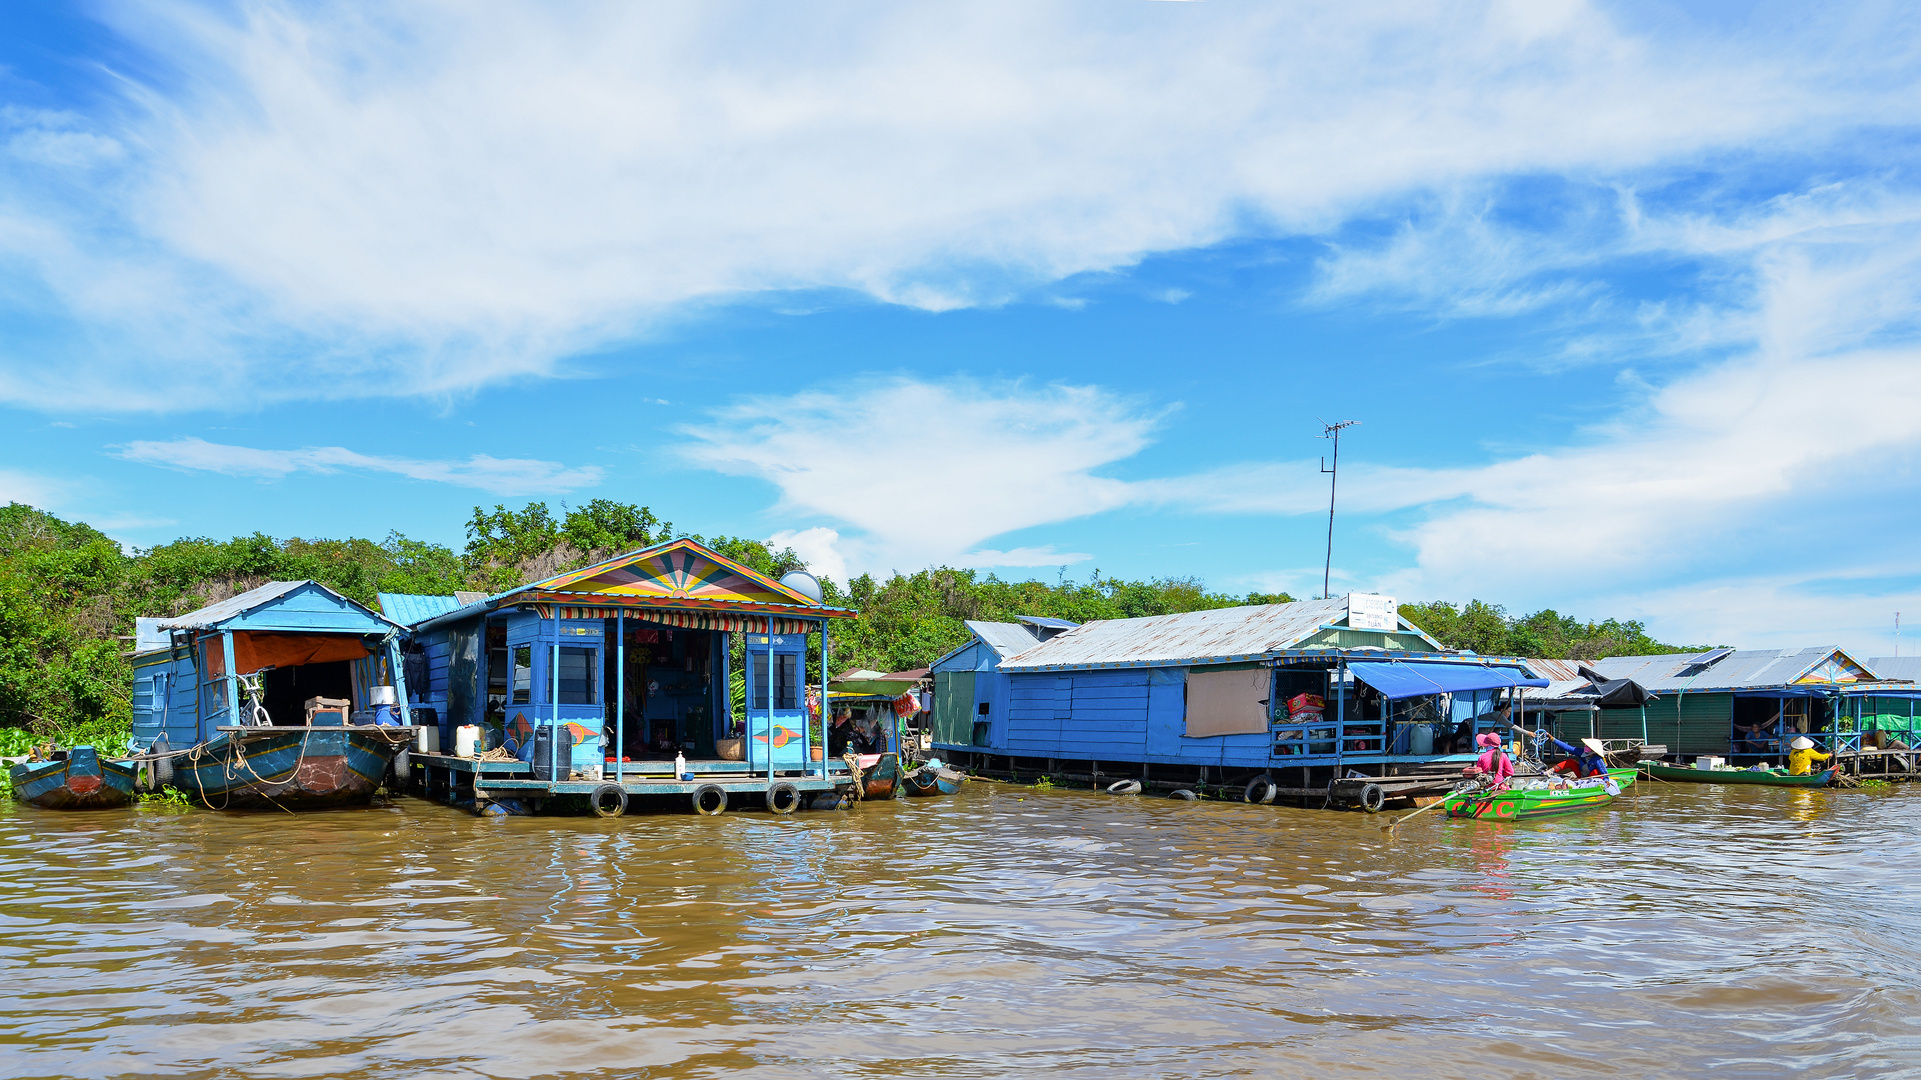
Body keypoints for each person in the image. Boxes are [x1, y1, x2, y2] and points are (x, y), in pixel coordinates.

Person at [1543, 735, 1609, 779]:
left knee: (1595, 771)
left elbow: (1603, 771)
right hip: (1582, 775)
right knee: (1570, 762)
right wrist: (1553, 740)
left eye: (1588, 746)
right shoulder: (1581, 752)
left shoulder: (1597, 759)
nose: (1585, 747)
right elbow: (1567, 748)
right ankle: (1550, 771)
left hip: (1593, 777)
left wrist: (1606, 780)